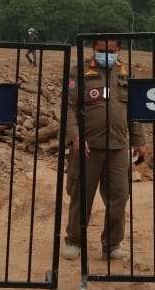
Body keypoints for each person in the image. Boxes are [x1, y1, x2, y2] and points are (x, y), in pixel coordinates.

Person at [62, 29, 149, 261]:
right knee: (82, 195)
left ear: (118, 49)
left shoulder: (126, 73)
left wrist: (139, 140)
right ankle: (74, 241)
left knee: (119, 196)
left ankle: (111, 245)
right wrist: (75, 136)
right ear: (93, 48)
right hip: (87, 146)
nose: (107, 55)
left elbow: (136, 110)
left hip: (119, 147)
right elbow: (69, 107)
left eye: (111, 51)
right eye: (102, 51)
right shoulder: (79, 72)